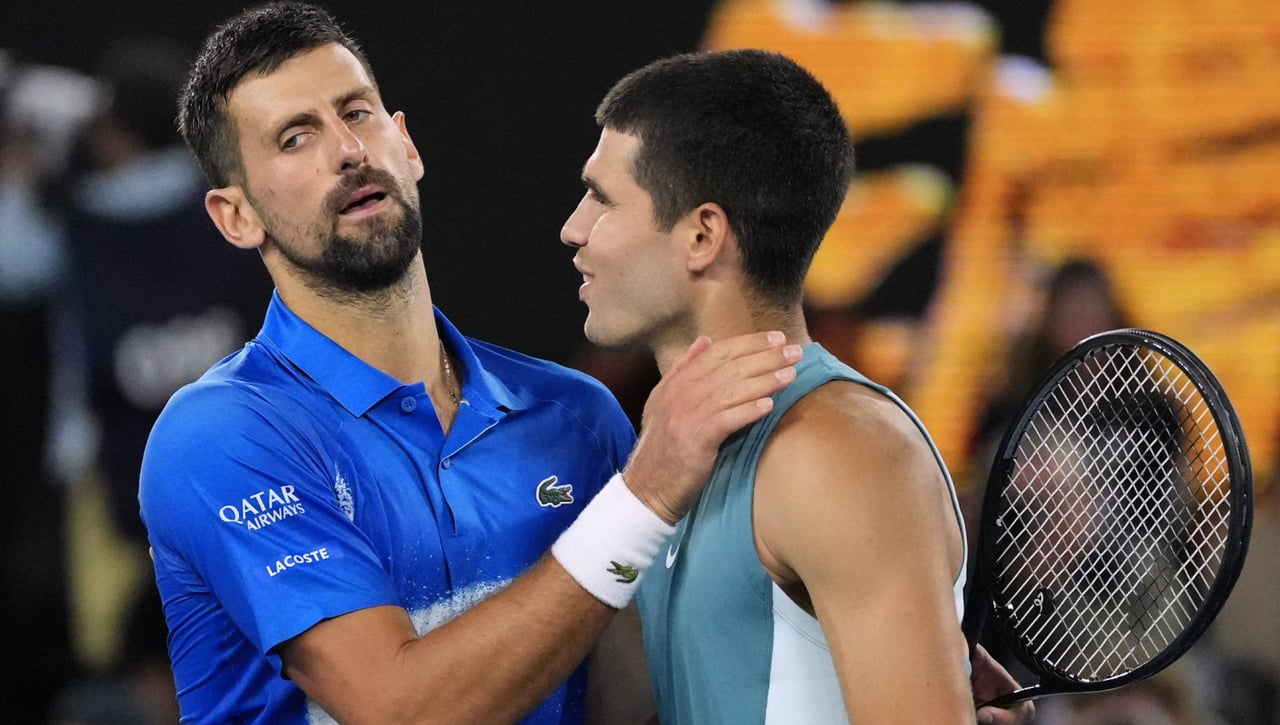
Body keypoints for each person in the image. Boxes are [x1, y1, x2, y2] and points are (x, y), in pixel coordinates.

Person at [139, 3, 801, 724]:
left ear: (406, 144)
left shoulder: (576, 415)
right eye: (295, 138)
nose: (347, 150)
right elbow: (400, 710)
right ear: (235, 216)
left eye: (357, 113)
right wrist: (646, 494)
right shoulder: (223, 434)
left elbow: (623, 701)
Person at [560, 48, 1034, 724]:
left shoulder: (839, 450)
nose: (573, 228)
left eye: (602, 199)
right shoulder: (677, 445)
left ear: (701, 235)